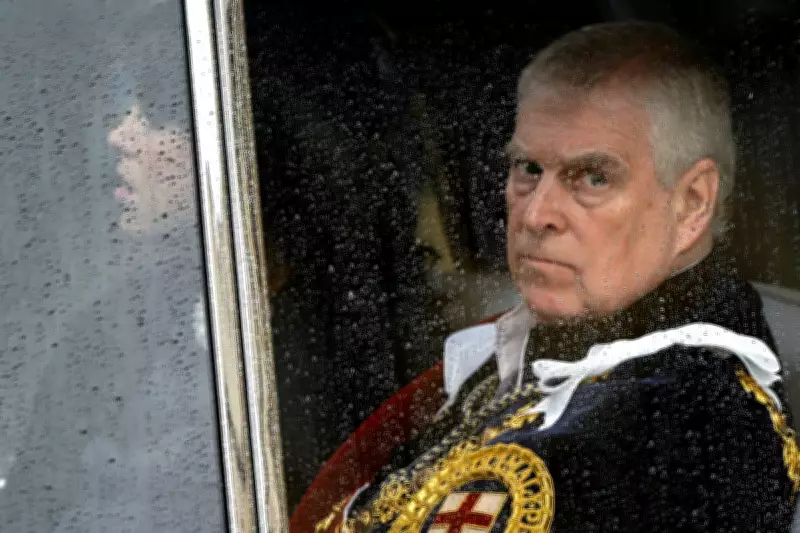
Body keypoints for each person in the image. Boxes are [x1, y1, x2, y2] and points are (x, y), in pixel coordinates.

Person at [316, 20, 800, 532]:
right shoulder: (547, 351)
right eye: (528, 169)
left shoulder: (688, 429)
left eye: (593, 177)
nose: (535, 215)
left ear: (691, 202)